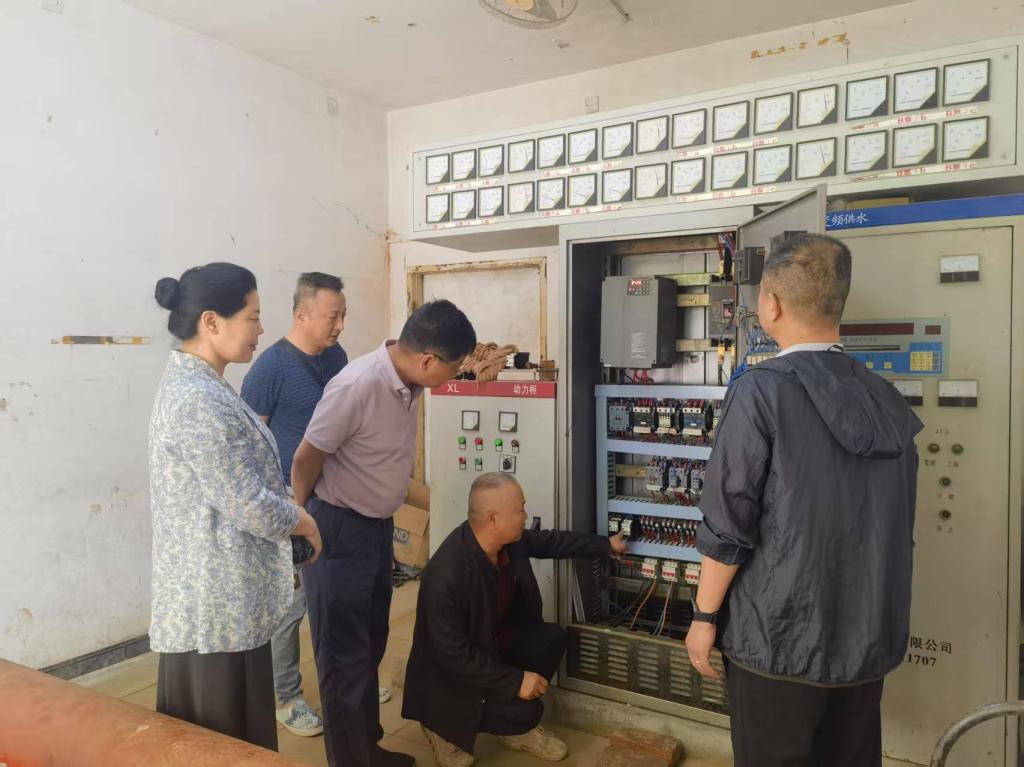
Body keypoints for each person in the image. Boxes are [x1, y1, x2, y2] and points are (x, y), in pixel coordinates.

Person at [686, 234, 923, 767]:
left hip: (777, 641)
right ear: (839, 302)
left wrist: (703, 617)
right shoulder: (885, 396)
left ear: (770, 305)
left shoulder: (761, 391)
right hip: (866, 640)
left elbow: (728, 524)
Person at [291, 299, 478, 767]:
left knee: (370, 643)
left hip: (376, 528)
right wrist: (302, 525)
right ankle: (350, 761)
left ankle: (367, 749)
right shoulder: (357, 385)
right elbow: (305, 459)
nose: (452, 378)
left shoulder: (408, 383)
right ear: (428, 360)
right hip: (336, 527)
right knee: (342, 656)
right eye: (453, 369)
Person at [148, 263, 322, 750]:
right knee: (217, 746)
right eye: (253, 316)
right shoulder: (195, 397)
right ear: (211, 321)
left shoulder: (206, 384)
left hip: (228, 602)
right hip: (211, 612)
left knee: (237, 741)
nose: (261, 329)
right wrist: (302, 519)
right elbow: (246, 501)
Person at [403, 473, 627, 767]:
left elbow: (552, 542)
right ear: (493, 520)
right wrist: (516, 681)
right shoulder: (445, 576)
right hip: (451, 678)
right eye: (520, 509)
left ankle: (509, 728)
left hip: (491, 647)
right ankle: (441, 729)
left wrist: (604, 545)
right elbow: (453, 656)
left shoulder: (508, 543)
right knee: (526, 714)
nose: (525, 515)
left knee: (551, 639)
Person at [241, 272, 348, 737]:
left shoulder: (337, 357)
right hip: (290, 500)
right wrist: (279, 505)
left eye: (343, 316)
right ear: (301, 315)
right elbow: (250, 443)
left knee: (335, 595)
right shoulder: (269, 369)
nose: (339, 326)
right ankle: (287, 699)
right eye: (332, 316)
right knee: (292, 605)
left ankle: (341, 683)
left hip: (335, 496)